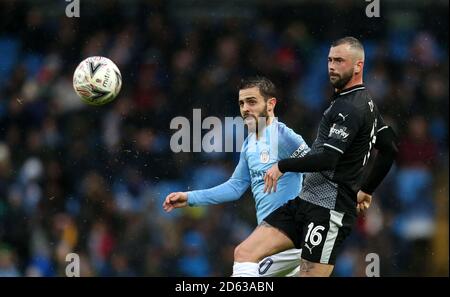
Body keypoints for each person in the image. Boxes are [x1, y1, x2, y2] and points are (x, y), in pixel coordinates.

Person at [232, 37, 398, 277]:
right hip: (304, 202)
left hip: (328, 211)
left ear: (358, 66)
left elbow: (327, 159)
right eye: (330, 60)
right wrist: (367, 190)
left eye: (339, 61)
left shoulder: (351, 108)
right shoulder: (363, 103)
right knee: (244, 253)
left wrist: (283, 165)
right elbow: (390, 148)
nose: (332, 66)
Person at [163, 77, 310, 276]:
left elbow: (316, 167)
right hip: (272, 239)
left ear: (270, 104)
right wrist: (189, 198)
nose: (245, 109)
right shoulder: (249, 144)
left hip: (291, 231)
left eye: (252, 102)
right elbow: (235, 187)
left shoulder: (283, 136)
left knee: (242, 255)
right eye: (241, 103)